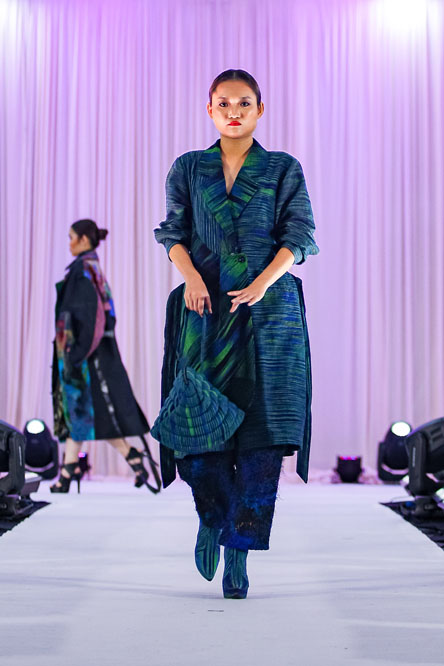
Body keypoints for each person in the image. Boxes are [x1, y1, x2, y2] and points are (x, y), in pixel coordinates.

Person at [154, 69, 319, 598]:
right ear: (209, 109)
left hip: (269, 317)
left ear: (260, 110)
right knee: (197, 427)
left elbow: (300, 234)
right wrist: (191, 278)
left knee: (262, 441)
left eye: (244, 103)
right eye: (223, 103)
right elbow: (173, 233)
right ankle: (212, 517)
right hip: (206, 310)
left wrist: (263, 283)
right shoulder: (188, 167)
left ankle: (239, 553)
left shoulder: (282, 168)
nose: (233, 111)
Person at [51, 219, 151, 493]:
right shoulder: (89, 269)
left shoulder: (84, 271)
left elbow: (92, 317)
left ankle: (68, 473)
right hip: (87, 355)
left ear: (84, 239)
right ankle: (72, 471)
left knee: (84, 411)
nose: (69, 243)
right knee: (83, 412)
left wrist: (76, 354)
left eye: (71, 237)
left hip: (84, 358)